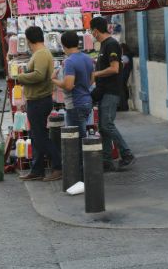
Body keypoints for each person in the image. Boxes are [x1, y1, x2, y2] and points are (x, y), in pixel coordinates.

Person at [90, 17, 135, 171]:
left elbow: (115, 68)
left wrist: (96, 74)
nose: (91, 34)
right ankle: (107, 161)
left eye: (91, 31)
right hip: (104, 92)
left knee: (107, 124)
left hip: (112, 92)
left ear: (95, 31)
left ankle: (127, 154)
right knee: (103, 128)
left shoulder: (111, 44)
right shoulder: (104, 45)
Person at [17, 26, 62, 182]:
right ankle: (37, 169)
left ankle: (58, 165)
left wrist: (20, 77)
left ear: (29, 40)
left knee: (40, 136)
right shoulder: (39, 53)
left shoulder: (42, 54)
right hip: (35, 99)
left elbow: (39, 75)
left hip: (39, 100)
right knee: (36, 136)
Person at [52, 31, 94, 155]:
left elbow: (68, 86)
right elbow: (91, 80)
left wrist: (54, 80)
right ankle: (85, 167)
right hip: (86, 101)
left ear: (63, 45)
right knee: (82, 136)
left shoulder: (69, 62)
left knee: (77, 139)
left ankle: (81, 169)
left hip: (75, 104)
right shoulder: (87, 58)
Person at [119, 43, 133, 112]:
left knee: (122, 89)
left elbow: (121, 63)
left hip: (124, 74)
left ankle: (123, 106)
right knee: (123, 88)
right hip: (125, 74)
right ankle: (124, 105)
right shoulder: (128, 55)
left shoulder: (125, 56)